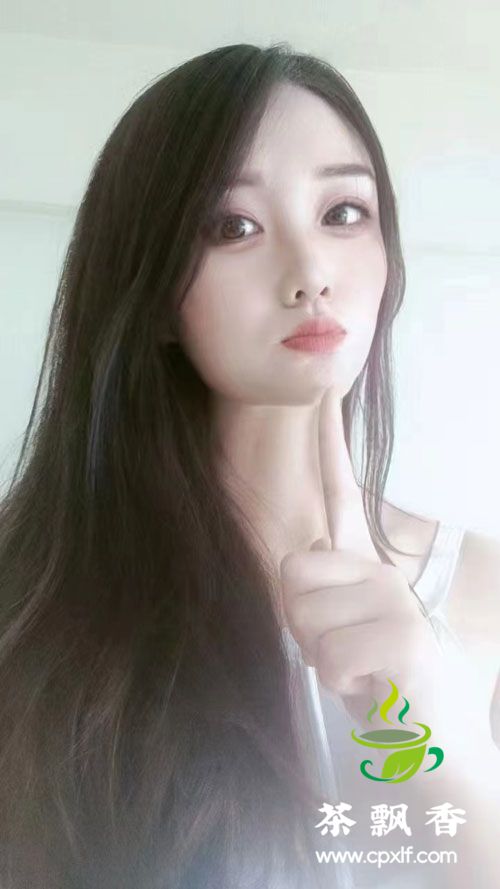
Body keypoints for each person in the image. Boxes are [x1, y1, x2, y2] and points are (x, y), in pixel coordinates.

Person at [0, 41, 499, 889]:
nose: (310, 273)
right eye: (233, 226)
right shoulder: (36, 595)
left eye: (343, 212)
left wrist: (439, 742)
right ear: (154, 292)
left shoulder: (483, 590)